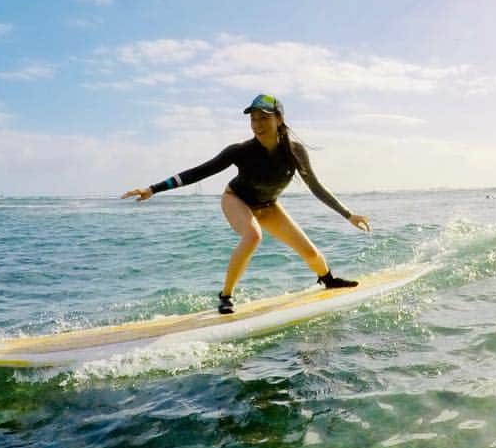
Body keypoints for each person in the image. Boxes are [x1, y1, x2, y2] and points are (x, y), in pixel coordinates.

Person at [122, 94, 371, 314]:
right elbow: (199, 172)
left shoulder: (295, 152)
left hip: (268, 205)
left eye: (264, 118)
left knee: (310, 253)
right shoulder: (240, 151)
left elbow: (316, 188)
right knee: (253, 236)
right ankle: (226, 296)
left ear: (279, 120)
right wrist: (153, 189)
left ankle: (327, 279)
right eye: (253, 119)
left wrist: (348, 215)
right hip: (236, 200)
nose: (258, 125)